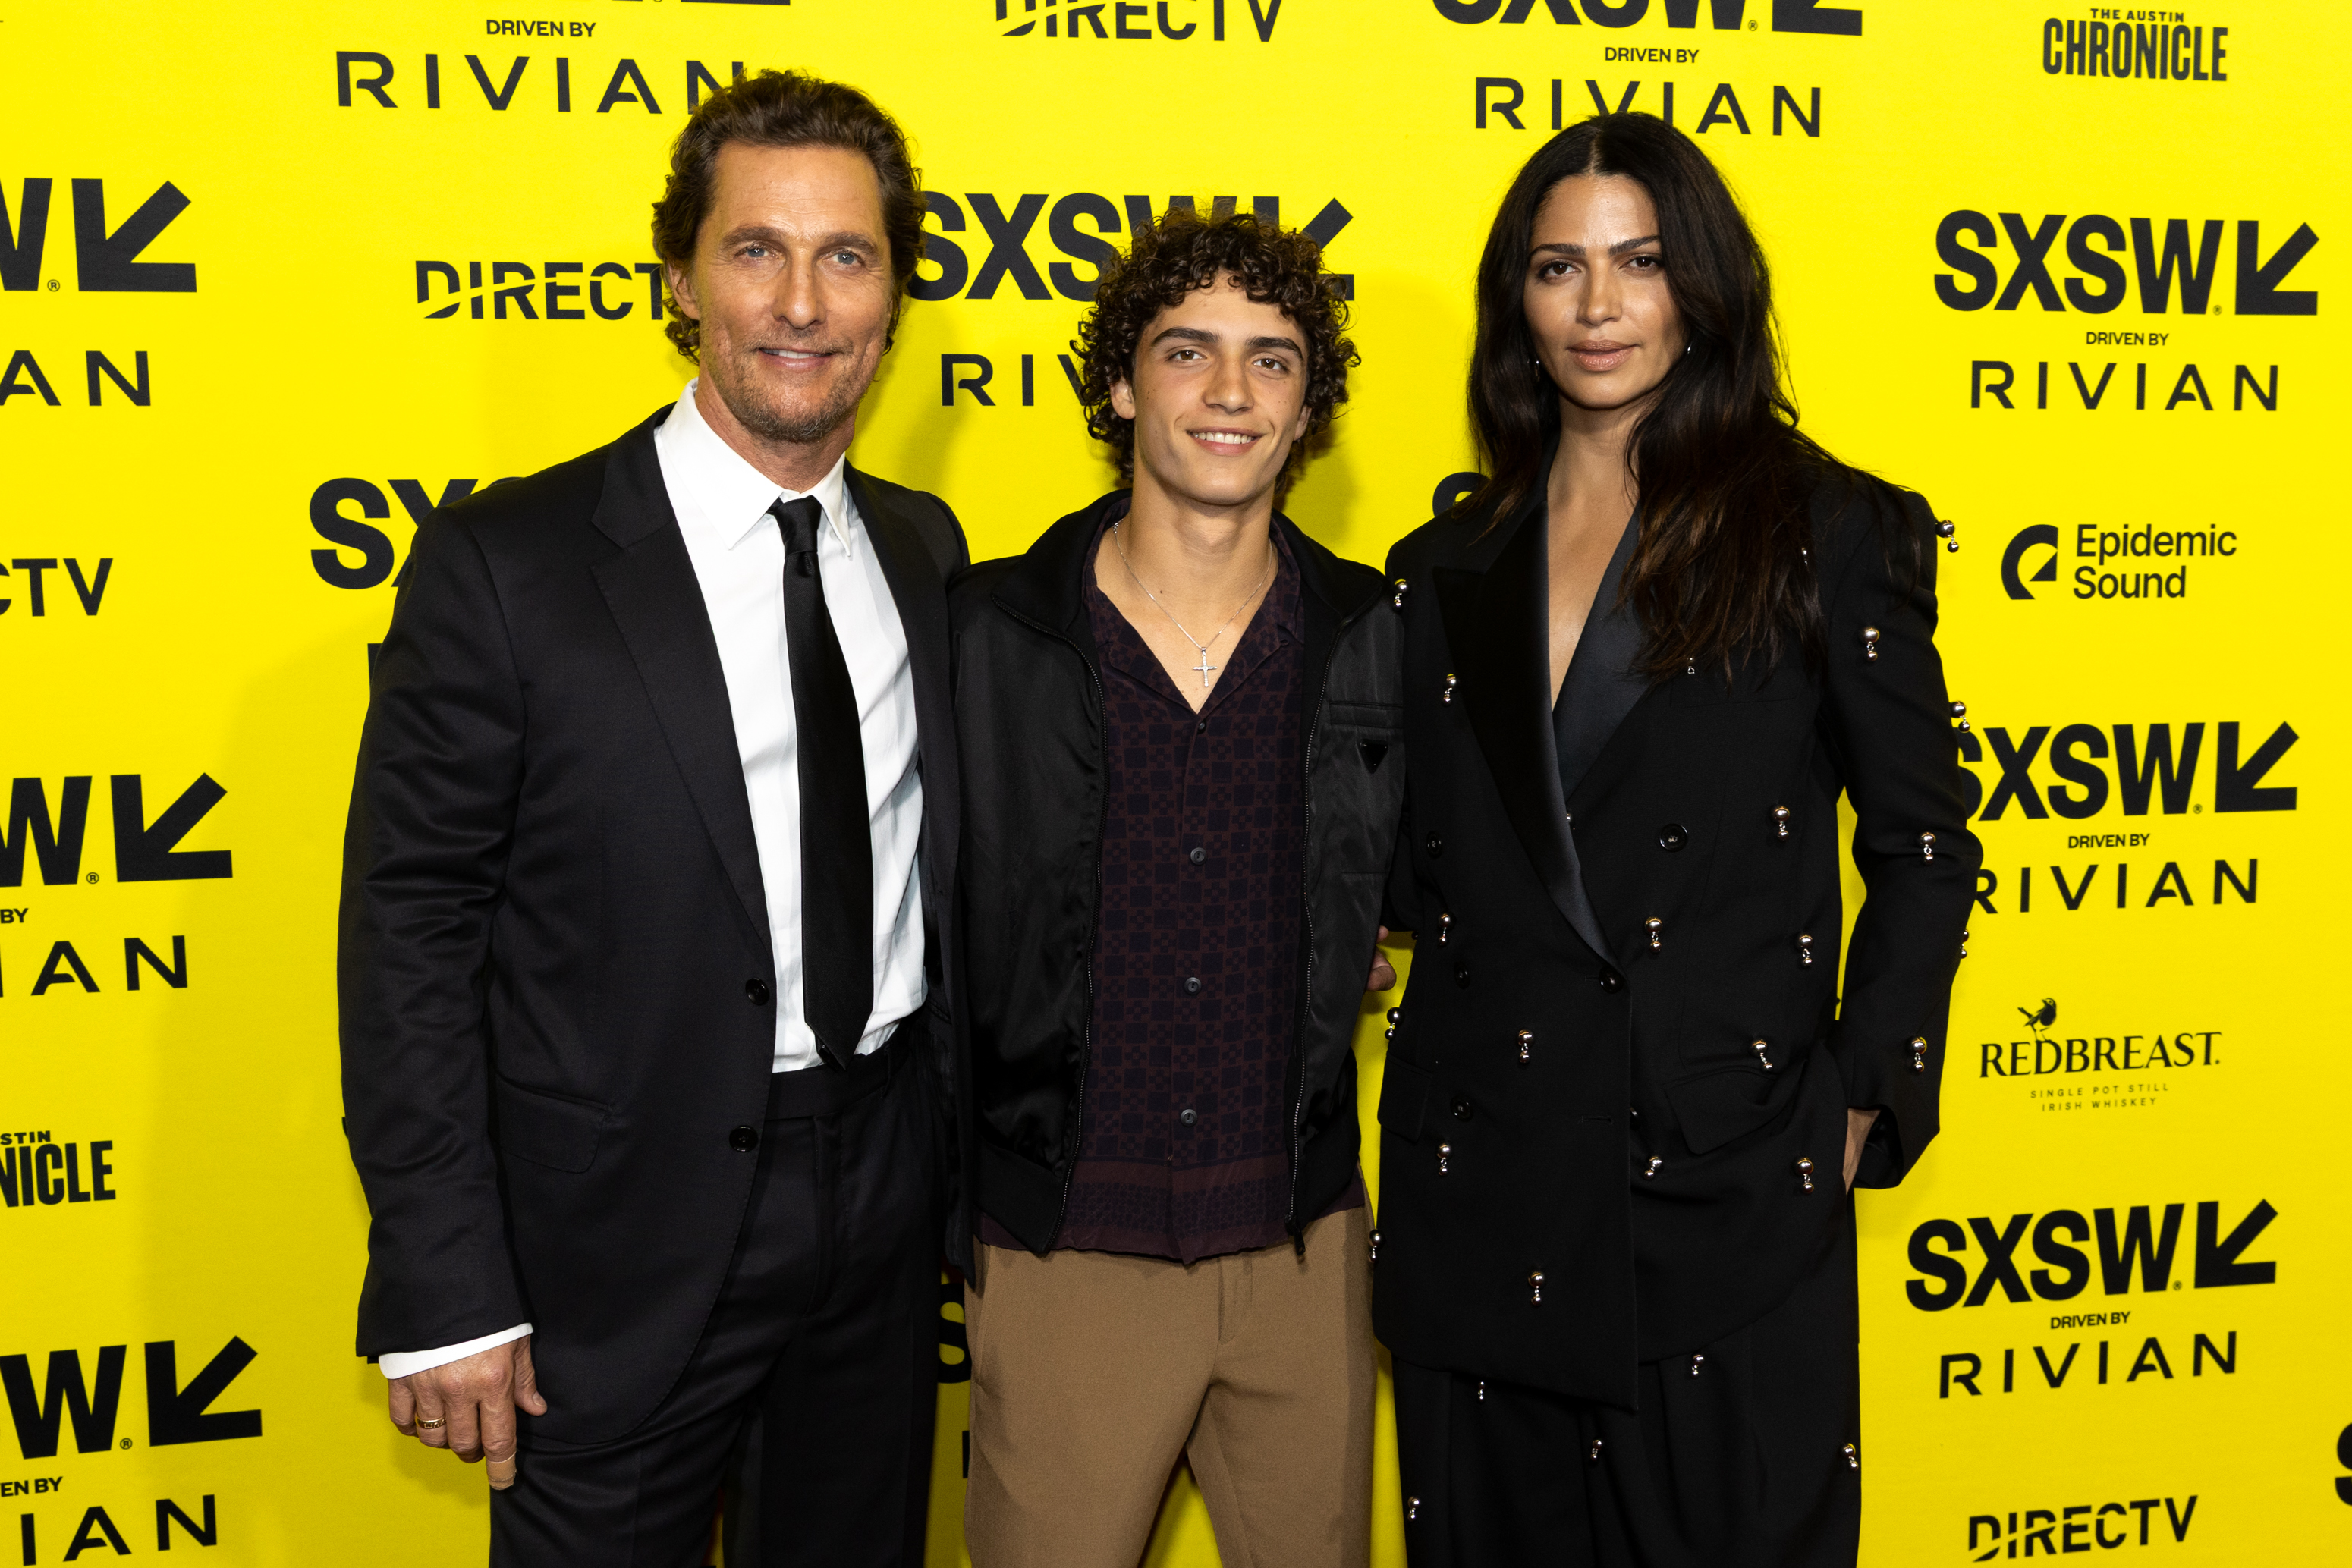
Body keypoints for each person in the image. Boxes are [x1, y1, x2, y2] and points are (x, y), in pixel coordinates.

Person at [338, 71, 966, 1566]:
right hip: (606, 1251)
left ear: (893, 290)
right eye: (757, 249)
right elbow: (409, 928)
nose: (803, 303)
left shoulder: (926, 551)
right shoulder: (508, 563)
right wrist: (448, 1286)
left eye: (847, 255)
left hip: (878, 1218)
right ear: (678, 278)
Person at [1374, 113, 1981, 1567]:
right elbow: (1427, 862)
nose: (1598, 308)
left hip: (1718, 1183)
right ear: (1513, 302)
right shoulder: (1442, 561)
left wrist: (1861, 1094)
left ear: (1700, 284)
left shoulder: (1828, 528)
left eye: (1639, 264)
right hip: (1482, 1185)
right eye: (1557, 268)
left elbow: (1925, 842)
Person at [948, 209, 1401, 1568]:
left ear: (1307, 406)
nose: (1227, 391)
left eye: (1270, 360)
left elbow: (1427, 884)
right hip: (1065, 1251)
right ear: (1118, 383)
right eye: (1186, 350)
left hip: (1302, 1251)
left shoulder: (1372, 633)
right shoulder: (988, 632)